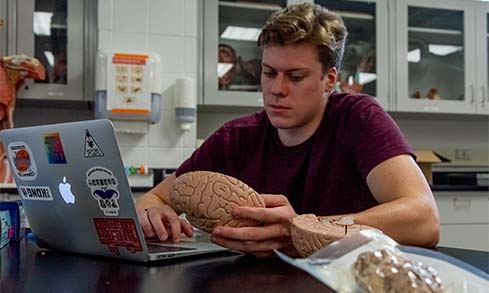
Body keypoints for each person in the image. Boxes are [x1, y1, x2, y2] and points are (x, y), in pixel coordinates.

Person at [136, 3, 440, 257]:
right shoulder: (236, 138)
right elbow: (154, 199)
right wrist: (152, 212)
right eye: (269, 74)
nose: (276, 89)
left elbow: (424, 219)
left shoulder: (357, 118)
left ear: (329, 80)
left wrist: (303, 228)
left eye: (295, 77)